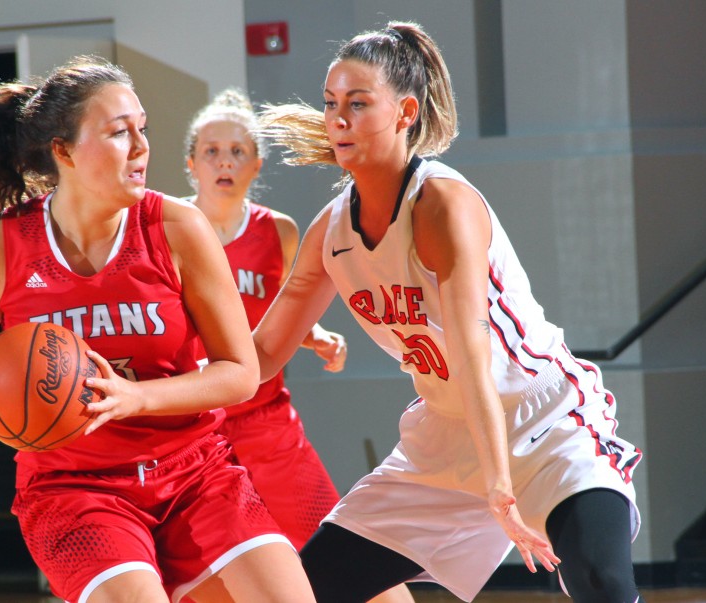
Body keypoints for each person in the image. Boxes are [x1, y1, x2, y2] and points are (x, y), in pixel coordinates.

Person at [0, 56, 316, 603]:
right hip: (72, 490)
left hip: (194, 475)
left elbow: (240, 373)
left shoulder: (178, 228)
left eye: (143, 129)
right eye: (119, 132)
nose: (140, 147)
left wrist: (135, 397)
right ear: (62, 151)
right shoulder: (4, 243)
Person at [253, 22, 643, 603]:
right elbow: (256, 358)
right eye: (332, 104)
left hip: (543, 417)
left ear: (405, 111)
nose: (338, 119)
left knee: (599, 578)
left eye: (358, 105)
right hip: (444, 435)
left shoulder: (440, 203)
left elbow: (469, 352)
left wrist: (500, 484)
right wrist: (150, 390)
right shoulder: (330, 232)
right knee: (307, 590)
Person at [183, 89, 416, 603]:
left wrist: (316, 338)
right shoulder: (169, 227)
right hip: (194, 425)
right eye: (212, 150)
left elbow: (283, 317)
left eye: (238, 151)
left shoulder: (278, 231)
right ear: (191, 164)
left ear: (256, 165)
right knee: (205, 574)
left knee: (344, 545)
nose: (224, 161)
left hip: (266, 421)